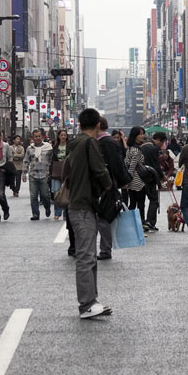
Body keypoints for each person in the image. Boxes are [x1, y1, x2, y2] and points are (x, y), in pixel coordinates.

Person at [67, 108, 114, 319]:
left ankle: (92, 300)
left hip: (78, 202)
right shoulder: (90, 143)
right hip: (84, 204)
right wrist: (110, 186)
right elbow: (100, 170)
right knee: (86, 257)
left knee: (89, 256)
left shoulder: (75, 142)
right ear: (98, 125)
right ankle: (86, 304)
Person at [96, 117, 131, 260]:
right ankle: (103, 248)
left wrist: (122, 181)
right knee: (101, 218)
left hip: (106, 185)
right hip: (103, 184)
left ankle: (105, 249)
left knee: (103, 217)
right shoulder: (101, 142)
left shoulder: (107, 143)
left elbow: (117, 164)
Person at [140, 131, 167, 232]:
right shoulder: (154, 148)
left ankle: (143, 222)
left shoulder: (142, 146)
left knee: (141, 201)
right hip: (150, 177)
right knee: (154, 200)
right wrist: (162, 177)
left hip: (140, 177)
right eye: (162, 143)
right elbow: (155, 165)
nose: (161, 146)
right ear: (158, 140)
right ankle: (150, 222)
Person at [26, 129, 53, 221]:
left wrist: (51, 172)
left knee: (45, 195)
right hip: (33, 174)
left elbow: (52, 160)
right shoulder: (30, 148)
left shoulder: (48, 148)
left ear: (42, 137)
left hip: (44, 175)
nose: (37, 138)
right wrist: (23, 172)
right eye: (35, 136)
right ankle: (35, 214)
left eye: (39, 136)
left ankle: (47, 207)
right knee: (33, 196)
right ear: (33, 138)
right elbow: (26, 160)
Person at [124, 126, 148, 227]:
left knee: (133, 203)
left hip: (132, 181)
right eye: (140, 134)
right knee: (140, 204)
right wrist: (129, 178)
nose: (143, 136)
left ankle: (131, 223)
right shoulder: (136, 150)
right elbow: (133, 165)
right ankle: (140, 223)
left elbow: (126, 163)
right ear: (135, 136)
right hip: (137, 181)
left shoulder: (130, 148)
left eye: (143, 134)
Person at [50, 130, 69, 219]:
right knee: (56, 192)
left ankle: (66, 213)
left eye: (65, 135)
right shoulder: (55, 147)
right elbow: (52, 160)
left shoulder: (69, 146)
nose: (63, 137)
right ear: (58, 136)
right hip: (56, 171)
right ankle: (57, 213)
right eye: (61, 135)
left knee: (66, 192)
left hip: (67, 171)